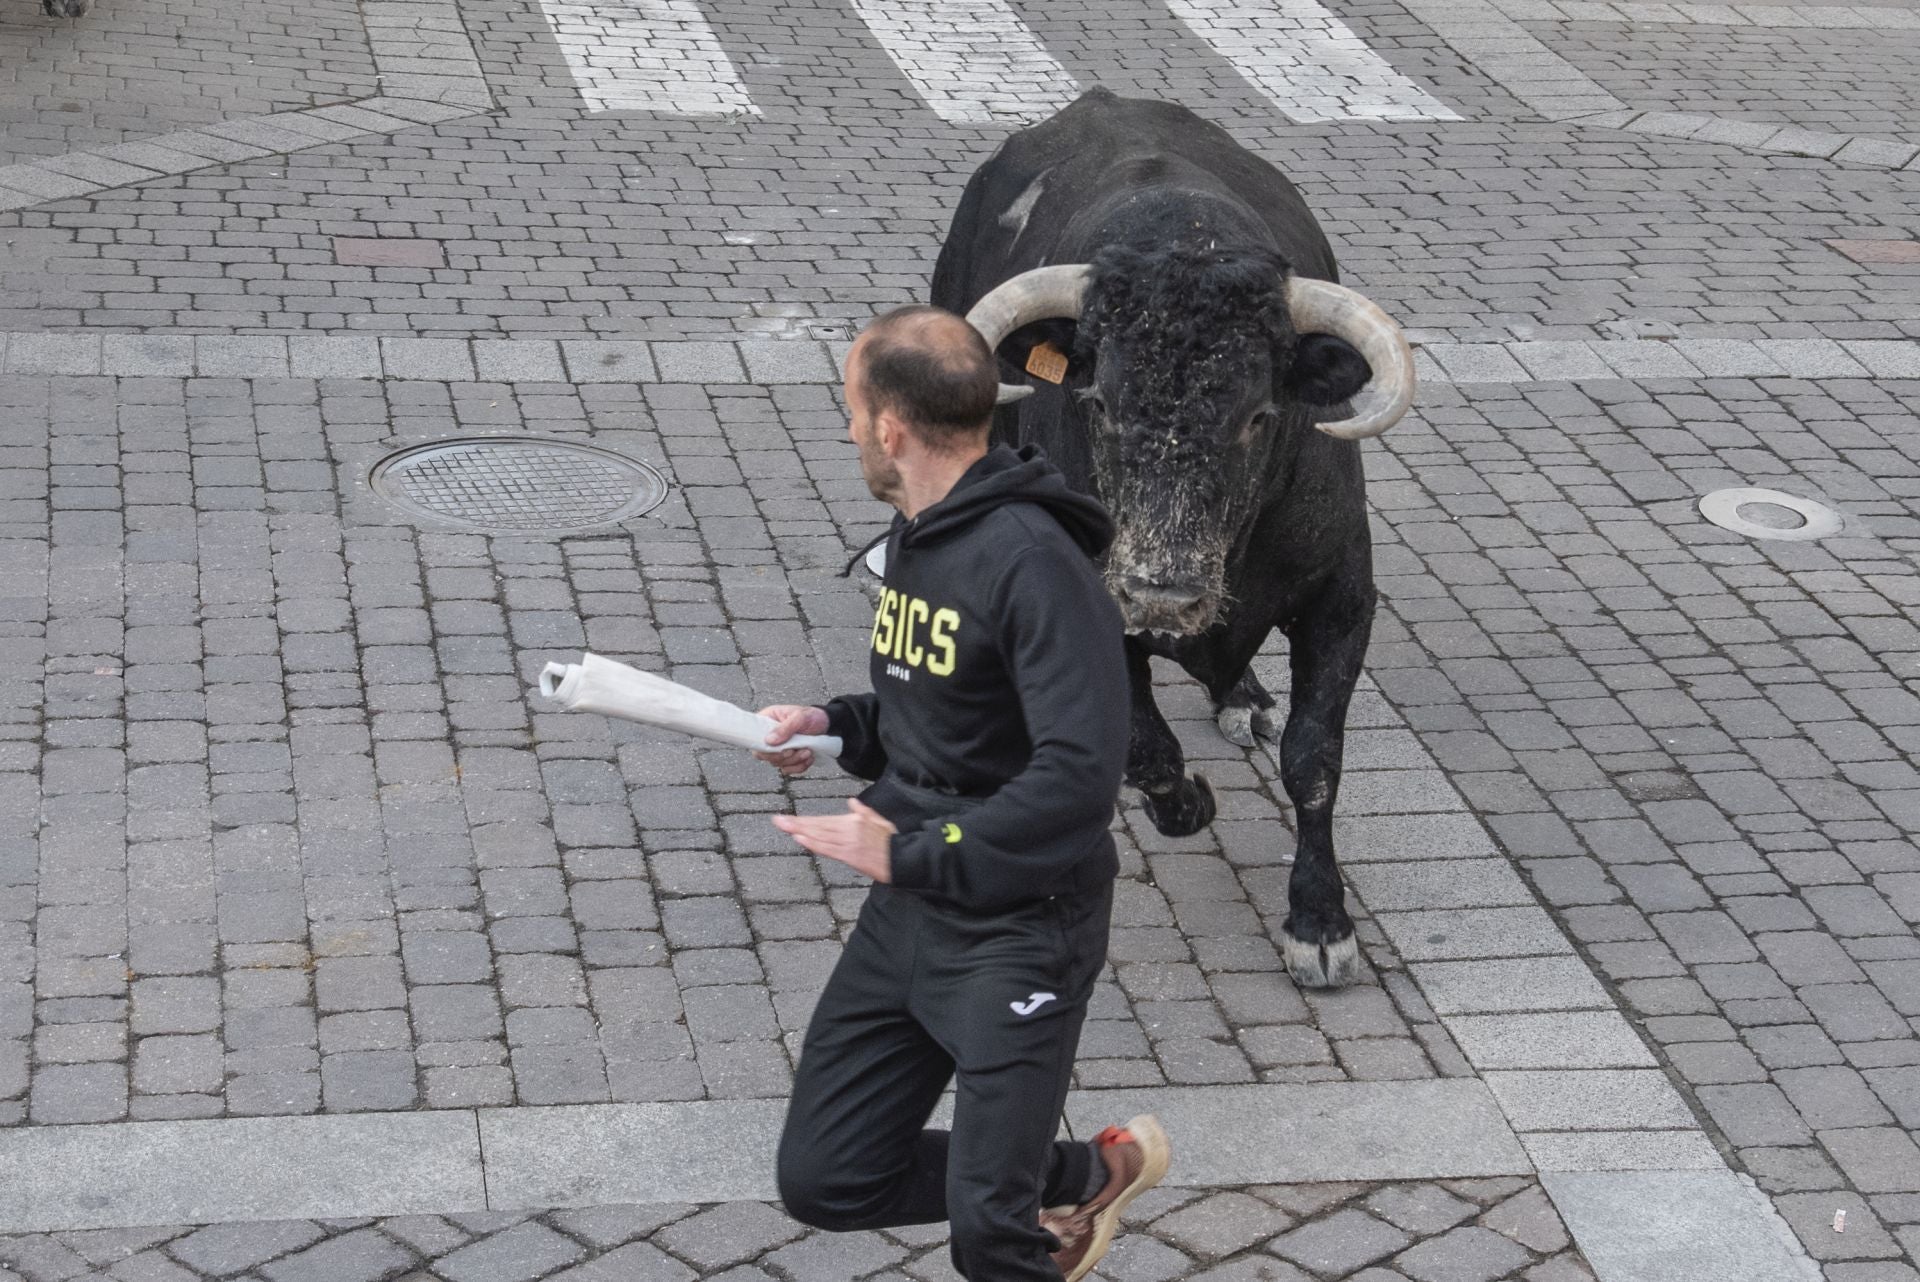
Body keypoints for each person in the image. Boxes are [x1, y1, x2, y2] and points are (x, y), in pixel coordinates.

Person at [755, 304, 1169, 1280]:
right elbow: (943, 713)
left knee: (993, 1236)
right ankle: (1089, 1168)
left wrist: (905, 851)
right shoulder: (923, 535)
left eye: (852, 410)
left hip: (1022, 926)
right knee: (827, 1176)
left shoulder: (1033, 563)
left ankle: (1022, 1192)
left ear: (892, 426)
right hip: (913, 908)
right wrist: (835, 724)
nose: (851, 427)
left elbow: (1080, 777)